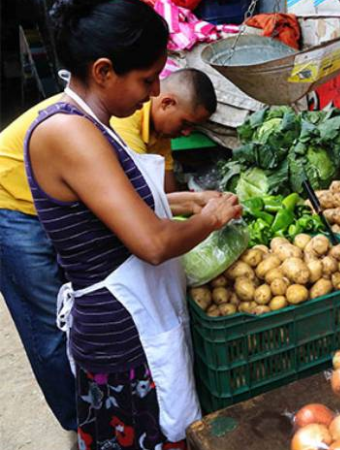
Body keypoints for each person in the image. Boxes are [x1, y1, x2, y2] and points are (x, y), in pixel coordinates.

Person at [24, 0, 241, 448]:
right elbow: (153, 242)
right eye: (146, 78)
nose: (154, 89)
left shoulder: (95, 125)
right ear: (103, 71)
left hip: (137, 325)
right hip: (120, 339)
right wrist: (210, 217)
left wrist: (188, 199)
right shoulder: (67, 132)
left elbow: (121, 207)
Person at [2, 67, 217, 194]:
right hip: (12, 193)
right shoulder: (125, 116)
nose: (187, 132)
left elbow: (164, 189)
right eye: (185, 123)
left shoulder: (158, 130)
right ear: (167, 104)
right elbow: (141, 193)